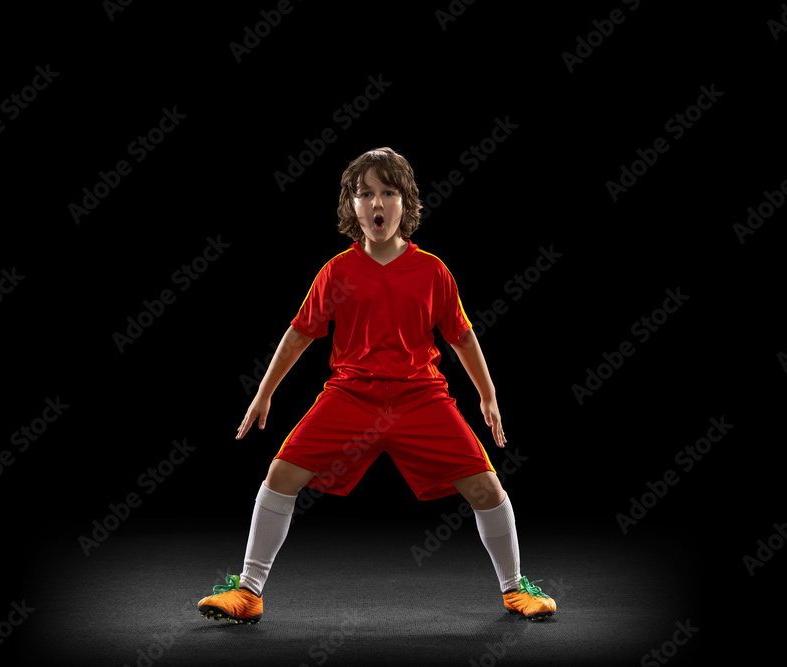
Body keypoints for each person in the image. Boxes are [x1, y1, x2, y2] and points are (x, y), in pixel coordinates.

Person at [197, 147, 555, 624]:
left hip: (420, 396)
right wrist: (265, 393)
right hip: (351, 395)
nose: (377, 202)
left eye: (388, 192)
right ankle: (248, 591)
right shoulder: (337, 272)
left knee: (487, 488)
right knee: (280, 476)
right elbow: (299, 334)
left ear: (405, 203)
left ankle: (515, 591)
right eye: (366, 194)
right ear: (353, 206)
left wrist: (488, 396)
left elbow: (462, 337)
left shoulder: (433, 271)